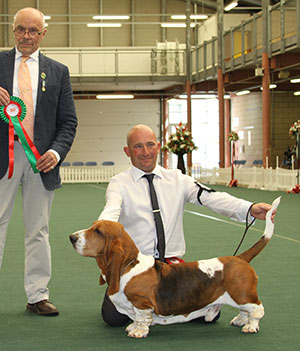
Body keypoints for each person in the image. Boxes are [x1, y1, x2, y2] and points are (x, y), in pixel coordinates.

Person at [98, 124, 276, 327]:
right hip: (136, 268)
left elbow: (212, 198)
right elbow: (111, 209)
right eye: (138, 147)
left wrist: (249, 208)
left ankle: (163, 313)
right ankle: (164, 312)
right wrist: (105, 227)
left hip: (173, 270)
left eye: (150, 145)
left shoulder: (178, 179)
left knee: (210, 314)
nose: (146, 152)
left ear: (158, 146)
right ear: (127, 151)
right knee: (113, 317)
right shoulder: (119, 183)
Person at [0, 8, 77, 316]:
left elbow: (68, 122)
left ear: (44, 33)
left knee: (38, 230)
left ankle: (37, 295)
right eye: (21, 29)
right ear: (12, 30)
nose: (26, 36)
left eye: (33, 31)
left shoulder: (59, 71)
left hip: (40, 162)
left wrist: (56, 153)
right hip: (2, 157)